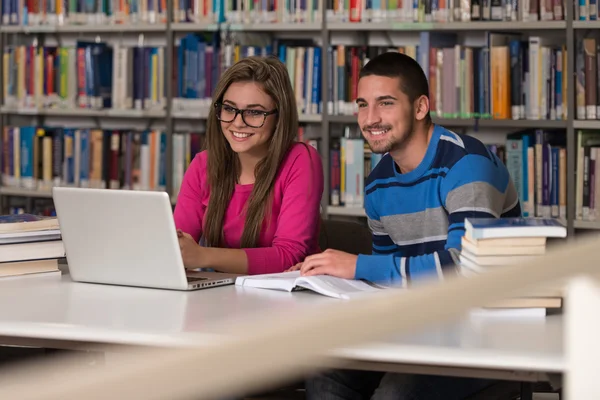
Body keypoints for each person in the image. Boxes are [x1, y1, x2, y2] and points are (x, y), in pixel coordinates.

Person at [297, 51, 522, 399]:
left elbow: (466, 268)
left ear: (420, 108)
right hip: (420, 325)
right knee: (323, 373)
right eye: (362, 104)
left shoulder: (467, 165)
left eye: (385, 103)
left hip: (486, 330)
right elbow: (389, 278)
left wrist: (356, 265)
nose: (370, 118)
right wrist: (330, 277)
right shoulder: (378, 183)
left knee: (395, 393)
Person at [173, 56, 324, 276]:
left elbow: (288, 256)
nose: (237, 122)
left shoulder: (301, 159)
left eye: (254, 112)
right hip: (223, 295)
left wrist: (202, 255)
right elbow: (178, 247)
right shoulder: (203, 164)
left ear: (279, 116)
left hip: (288, 299)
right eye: (229, 108)